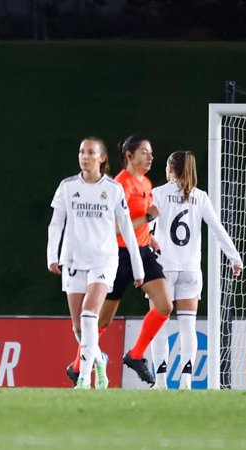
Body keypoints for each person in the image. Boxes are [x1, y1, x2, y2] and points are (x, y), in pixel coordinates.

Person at [47, 138, 144, 389]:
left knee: (90, 313)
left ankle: (84, 378)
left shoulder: (112, 189)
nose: (84, 156)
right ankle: (99, 359)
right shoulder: (67, 186)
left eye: (90, 152)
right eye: (81, 152)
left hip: (103, 260)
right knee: (79, 328)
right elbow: (56, 223)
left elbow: (126, 229)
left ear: (102, 158)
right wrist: (52, 255)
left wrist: (137, 266)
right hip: (73, 260)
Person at [149, 150, 243, 389]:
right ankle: (187, 381)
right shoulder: (200, 197)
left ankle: (160, 380)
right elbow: (217, 228)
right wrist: (235, 258)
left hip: (163, 269)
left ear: (170, 168)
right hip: (191, 269)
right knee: (187, 325)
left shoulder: (158, 194)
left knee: (158, 323)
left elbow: (145, 226)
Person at [94, 135, 174, 386]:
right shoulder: (119, 185)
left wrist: (149, 237)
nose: (150, 157)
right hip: (118, 255)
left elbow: (139, 222)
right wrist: (147, 220)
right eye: (144, 152)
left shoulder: (147, 182)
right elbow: (115, 230)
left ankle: (136, 354)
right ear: (129, 156)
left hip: (142, 252)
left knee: (165, 305)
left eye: (150, 153)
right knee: (102, 321)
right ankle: (78, 366)